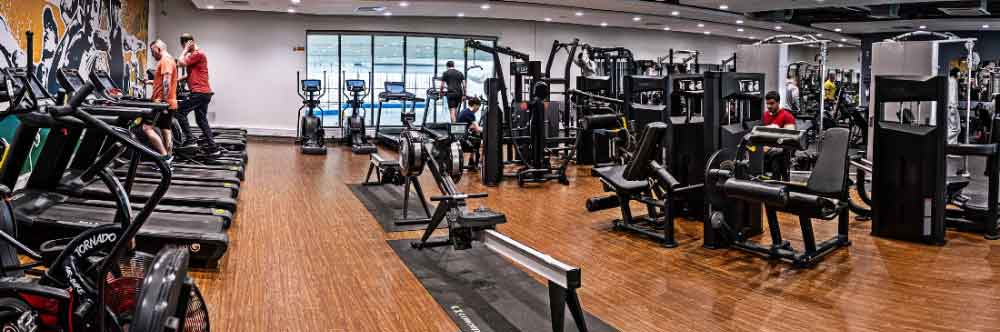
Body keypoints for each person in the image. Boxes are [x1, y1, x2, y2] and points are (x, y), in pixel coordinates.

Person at [176, 33, 219, 155]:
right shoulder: (196, 56)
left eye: (185, 45)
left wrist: (184, 50)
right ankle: (212, 147)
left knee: (179, 112)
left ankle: (190, 139)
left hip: (199, 93)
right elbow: (192, 73)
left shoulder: (197, 54)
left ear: (189, 43)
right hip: (205, 93)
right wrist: (178, 80)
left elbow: (180, 63)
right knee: (201, 120)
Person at [145, 40, 178, 168]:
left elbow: (166, 82)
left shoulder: (165, 61)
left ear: (158, 48)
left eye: (153, 51)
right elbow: (162, 81)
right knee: (165, 130)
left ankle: (164, 157)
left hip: (162, 102)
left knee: (146, 128)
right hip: (169, 102)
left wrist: (163, 103)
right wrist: (150, 82)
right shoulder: (169, 60)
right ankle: (168, 159)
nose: (153, 55)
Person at [762, 91, 796, 180]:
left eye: (772, 103)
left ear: (778, 102)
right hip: (765, 153)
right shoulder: (765, 115)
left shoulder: (787, 116)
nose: (769, 106)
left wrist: (773, 147)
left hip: (781, 154)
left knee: (777, 168)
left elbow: (790, 139)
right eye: (767, 104)